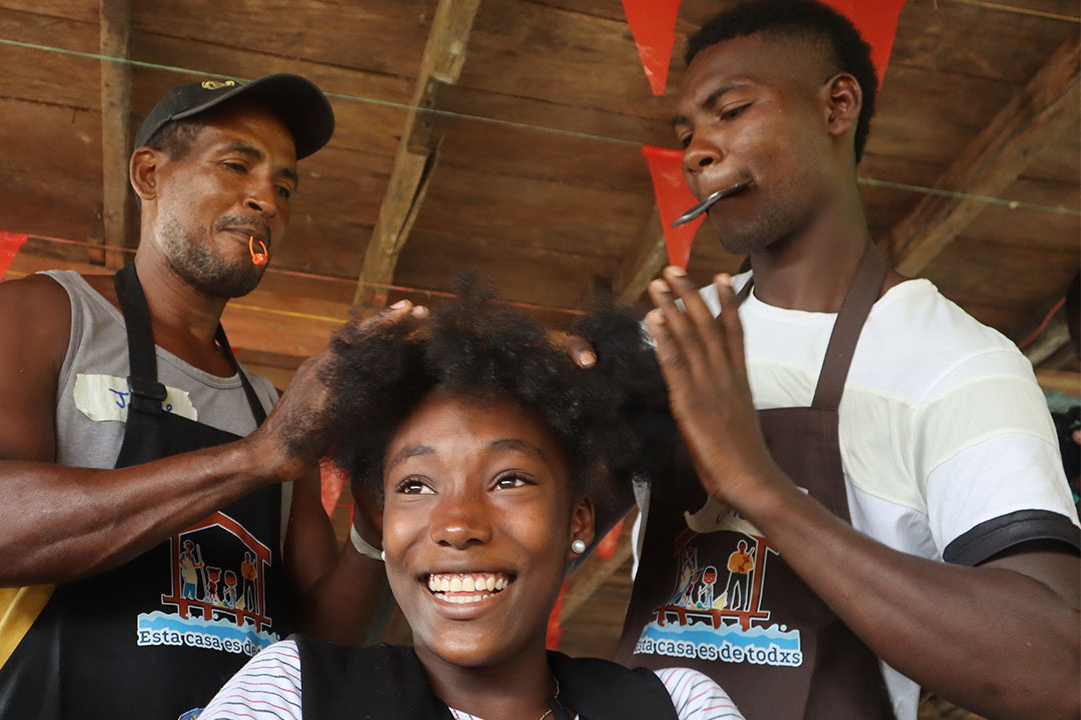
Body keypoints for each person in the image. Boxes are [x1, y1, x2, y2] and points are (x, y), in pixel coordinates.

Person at [604, 3, 1080, 720]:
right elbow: (531, 518)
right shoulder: (668, 339)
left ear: (838, 105)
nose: (698, 150)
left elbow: (1057, 670)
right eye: (687, 135)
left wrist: (757, 483)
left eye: (730, 110)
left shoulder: (957, 364)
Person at [0, 74, 411, 720]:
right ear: (149, 173)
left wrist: (375, 522)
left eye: (284, 188)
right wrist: (255, 459)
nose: (266, 200)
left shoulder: (273, 408)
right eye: (237, 165)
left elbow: (319, 652)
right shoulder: (42, 318)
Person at [199, 284, 742, 719]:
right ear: (383, 523)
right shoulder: (290, 693)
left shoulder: (678, 706)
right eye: (415, 485)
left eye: (509, 480)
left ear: (579, 516)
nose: (457, 526)